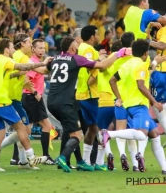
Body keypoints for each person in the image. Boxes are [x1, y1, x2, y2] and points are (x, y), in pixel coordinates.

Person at [47, 36, 130, 173]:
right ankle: (63, 157)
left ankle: (80, 161)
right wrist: (118, 54)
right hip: (67, 102)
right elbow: (102, 66)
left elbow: (45, 69)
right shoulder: (76, 58)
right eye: (76, 45)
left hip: (51, 101)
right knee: (78, 135)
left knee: (72, 130)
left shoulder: (55, 58)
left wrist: (38, 64)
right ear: (73, 48)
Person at [0, 38, 51, 171]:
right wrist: (42, 63)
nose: (13, 49)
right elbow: (22, 66)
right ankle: (31, 158)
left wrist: (19, 74)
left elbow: (9, 75)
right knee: (21, 127)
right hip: (1, 100)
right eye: (12, 47)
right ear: (7, 50)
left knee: (0, 132)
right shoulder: (6, 60)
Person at [102, 40, 166, 175]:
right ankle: (109, 134)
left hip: (127, 104)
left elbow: (112, 80)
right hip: (138, 105)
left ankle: (165, 168)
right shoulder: (141, 65)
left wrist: (119, 97)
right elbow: (141, 85)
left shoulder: (127, 64)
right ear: (145, 53)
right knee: (142, 136)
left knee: (154, 135)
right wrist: (154, 102)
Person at [22, 39, 55, 164]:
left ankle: (17, 157)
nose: (42, 50)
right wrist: (35, 92)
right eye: (40, 48)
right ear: (33, 49)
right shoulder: (33, 62)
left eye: (43, 48)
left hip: (30, 97)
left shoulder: (38, 62)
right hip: (32, 97)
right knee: (46, 126)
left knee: (25, 129)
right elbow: (26, 79)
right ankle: (46, 156)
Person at [91, 40, 122, 171]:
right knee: (119, 131)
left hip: (103, 101)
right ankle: (122, 156)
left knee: (102, 131)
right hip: (118, 99)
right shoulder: (121, 62)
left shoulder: (104, 63)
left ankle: (104, 158)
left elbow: (90, 81)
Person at [75, 25, 101, 170]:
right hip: (90, 94)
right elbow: (92, 69)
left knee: (92, 128)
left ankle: (86, 161)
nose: (98, 37)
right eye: (97, 34)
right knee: (102, 126)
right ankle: (99, 162)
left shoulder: (81, 48)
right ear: (92, 36)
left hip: (82, 93)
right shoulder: (88, 50)